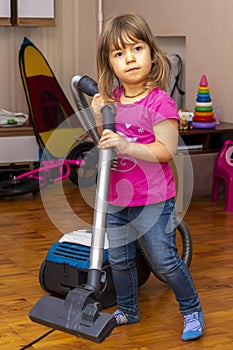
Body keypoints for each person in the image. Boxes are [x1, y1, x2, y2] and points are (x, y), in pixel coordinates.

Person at [91, 13, 204, 341]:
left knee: (164, 261)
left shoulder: (160, 102)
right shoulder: (113, 100)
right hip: (116, 198)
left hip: (154, 199)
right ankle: (128, 309)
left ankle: (192, 309)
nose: (128, 58)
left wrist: (126, 144)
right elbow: (107, 145)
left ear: (151, 54)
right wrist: (101, 119)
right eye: (118, 53)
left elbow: (164, 151)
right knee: (122, 260)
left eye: (136, 48)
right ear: (109, 63)